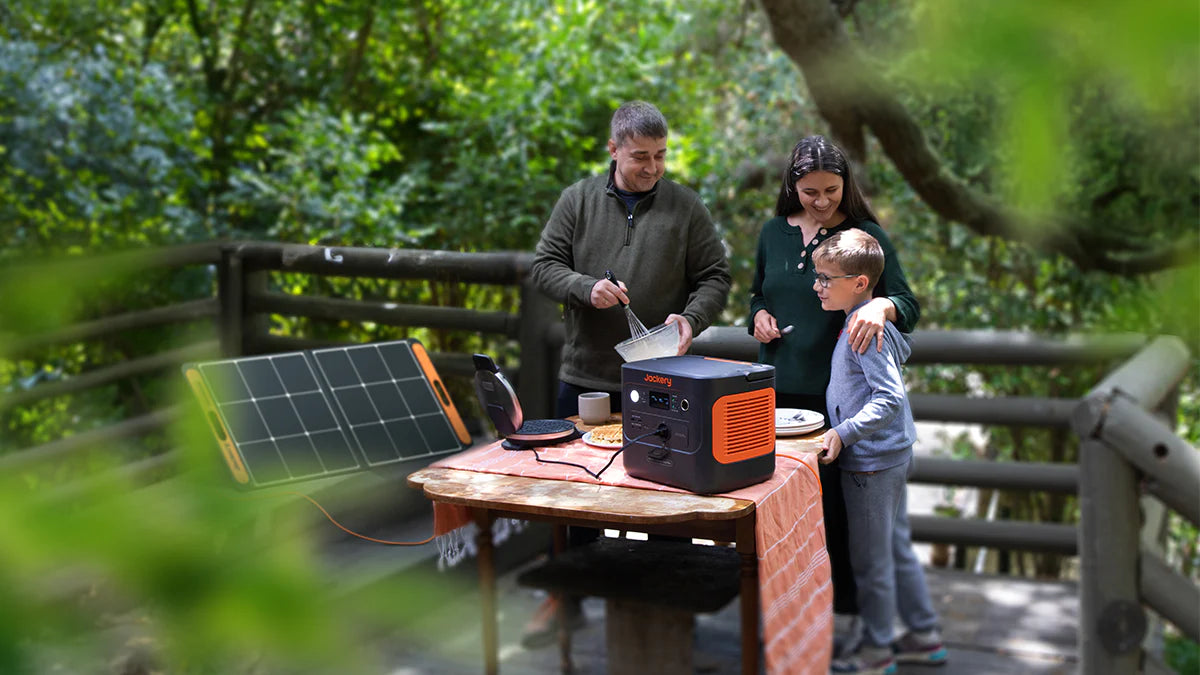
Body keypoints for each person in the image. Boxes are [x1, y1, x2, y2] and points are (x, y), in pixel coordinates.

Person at [525, 100, 732, 647]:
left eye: (661, 156)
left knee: (668, 494)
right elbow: (543, 266)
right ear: (613, 149)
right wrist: (583, 288)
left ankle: (670, 612)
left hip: (664, 379)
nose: (653, 167)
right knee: (574, 494)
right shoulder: (577, 201)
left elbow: (715, 276)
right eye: (641, 156)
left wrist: (692, 320)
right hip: (586, 376)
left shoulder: (686, 207)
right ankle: (562, 599)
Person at [748, 135, 920, 653]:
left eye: (831, 190)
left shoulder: (862, 237)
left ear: (846, 185)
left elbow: (906, 302)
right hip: (776, 397)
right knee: (777, 514)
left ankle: (844, 623)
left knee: (838, 522)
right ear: (791, 186)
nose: (821, 201)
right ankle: (783, 612)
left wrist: (880, 308)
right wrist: (756, 315)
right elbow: (758, 290)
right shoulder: (772, 234)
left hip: (838, 408)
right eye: (809, 191)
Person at [812, 228, 945, 673]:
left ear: (860, 283)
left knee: (871, 564)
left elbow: (888, 400)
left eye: (826, 278)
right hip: (892, 455)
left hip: (871, 463)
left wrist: (842, 433)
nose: (818, 286)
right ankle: (924, 634)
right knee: (896, 547)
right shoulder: (864, 320)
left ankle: (877, 652)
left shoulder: (862, 327)